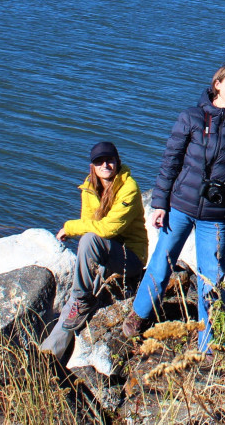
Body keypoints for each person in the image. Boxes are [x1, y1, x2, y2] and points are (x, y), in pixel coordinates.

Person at [122, 63, 225, 352]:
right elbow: (170, 162)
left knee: (212, 278)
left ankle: (208, 346)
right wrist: (160, 203)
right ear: (217, 84)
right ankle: (139, 314)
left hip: (216, 215)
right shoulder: (192, 117)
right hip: (180, 206)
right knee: (161, 263)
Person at [39, 141, 148, 362]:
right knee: (73, 307)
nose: (105, 165)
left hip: (129, 259)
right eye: (99, 162)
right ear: (93, 166)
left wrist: (70, 228)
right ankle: (48, 357)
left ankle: (82, 299)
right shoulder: (89, 187)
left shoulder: (129, 188)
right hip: (103, 255)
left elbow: (107, 229)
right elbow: (89, 223)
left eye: (110, 160)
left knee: (87, 247)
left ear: (117, 162)